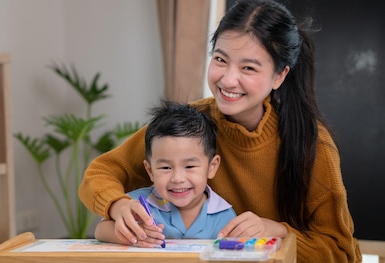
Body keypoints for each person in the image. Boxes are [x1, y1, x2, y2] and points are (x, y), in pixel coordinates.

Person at [79, 0, 362, 261]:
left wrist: (277, 231)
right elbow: (101, 173)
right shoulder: (192, 123)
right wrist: (116, 205)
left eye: (249, 67)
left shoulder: (312, 143)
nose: (228, 79)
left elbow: (342, 252)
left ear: (279, 75)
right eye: (220, 60)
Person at [94, 101, 236, 247]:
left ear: (212, 167)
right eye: (166, 168)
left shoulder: (225, 215)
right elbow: (100, 230)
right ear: (150, 171)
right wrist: (133, 235)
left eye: (190, 166)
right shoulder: (138, 205)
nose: (177, 178)